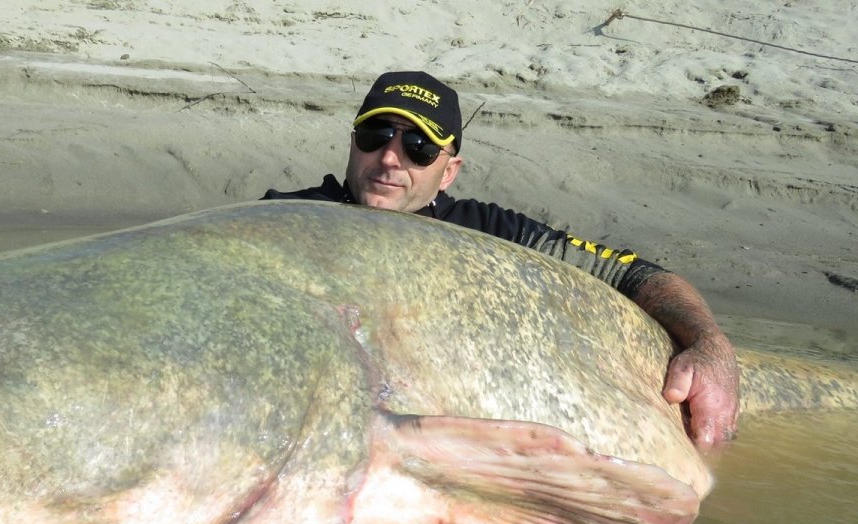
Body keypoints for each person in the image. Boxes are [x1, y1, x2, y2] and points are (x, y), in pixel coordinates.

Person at [262, 71, 739, 451]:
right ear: (353, 143)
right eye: (376, 134)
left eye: (418, 147)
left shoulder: (491, 232)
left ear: (448, 172)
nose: (390, 158)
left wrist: (709, 344)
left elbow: (631, 272)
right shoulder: (282, 219)